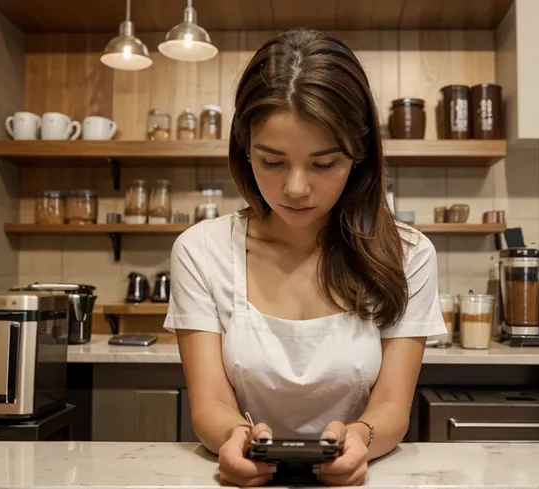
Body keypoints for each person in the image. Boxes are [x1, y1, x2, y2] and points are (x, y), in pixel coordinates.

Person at [164, 28, 446, 487]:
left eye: (324, 163)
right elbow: (210, 401)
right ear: (244, 150)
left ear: (358, 156)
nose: (296, 188)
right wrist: (236, 437)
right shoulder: (201, 250)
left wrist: (360, 438)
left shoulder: (407, 254)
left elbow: (391, 407)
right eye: (272, 162)